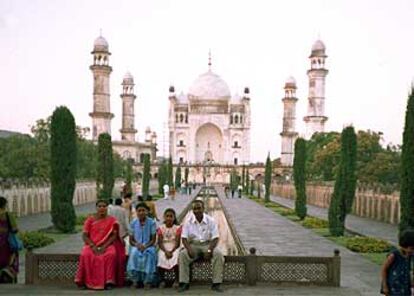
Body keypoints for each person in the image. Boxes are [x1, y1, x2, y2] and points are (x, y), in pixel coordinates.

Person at [75, 199, 126, 290]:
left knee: (111, 254)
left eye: (104, 206)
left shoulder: (112, 220)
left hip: (107, 244)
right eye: (99, 206)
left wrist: (104, 247)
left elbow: (114, 236)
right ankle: (83, 281)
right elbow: (85, 235)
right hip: (91, 245)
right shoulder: (90, 220)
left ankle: (109, 281)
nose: (102, 208)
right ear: (96, 208)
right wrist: (93, 246)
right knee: (85, 254)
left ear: (107, 208)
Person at [178, 199, 224, 293]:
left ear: (203, 209)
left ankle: (216, 283)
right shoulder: (188, 221)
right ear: (192, 210)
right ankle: (184, 283)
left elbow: (215, 238)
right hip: (194, 245)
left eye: (199, 208)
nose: (197, 211)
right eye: (195, 209)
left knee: (218, 255)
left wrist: (209, 250)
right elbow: (184, 238)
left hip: (207, 244)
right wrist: (189, 249)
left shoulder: (210, 220)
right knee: (183, 255)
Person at [127, 202, 157, 289]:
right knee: (134, 254)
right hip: (136, 246)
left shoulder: (151, 223)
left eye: (143, 210)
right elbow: (131, 240)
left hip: (149, 245)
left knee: (149, 255)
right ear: (136, 212)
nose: (141, 212)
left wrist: (146, 246)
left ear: (147, 211)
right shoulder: (133, 223)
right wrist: (137, 245)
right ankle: (135, 280)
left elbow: (153, 240)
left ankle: (147, 281)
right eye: (139, 211)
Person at [381, 229, 414, 296]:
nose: (412, 251)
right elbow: (384, 269)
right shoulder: (393, 255)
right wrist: (385, 286)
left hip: (405, 287)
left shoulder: (409, 255)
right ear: (404, 245)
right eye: (411, 248)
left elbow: (408, 269)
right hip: (393, 288)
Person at [157, 208, 181, 288]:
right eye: (167, 216)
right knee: (161, 256)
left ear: (174, 218)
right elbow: (160, 242)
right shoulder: (161, 228)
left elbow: (177, 243)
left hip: (174, 247)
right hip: (164, 247)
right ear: (164, 217)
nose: (169, 218)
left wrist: (172, 251)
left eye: (171, 216)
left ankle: (177, 279)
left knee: (176, 257)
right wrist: (166, 251)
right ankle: (162, 280)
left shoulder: (177, 228)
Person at [0, 196, 19, 284]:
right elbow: (15, 229)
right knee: (10, 261)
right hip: (7, 245)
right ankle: (9, 278)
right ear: (4, 205)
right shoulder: (8, 215)